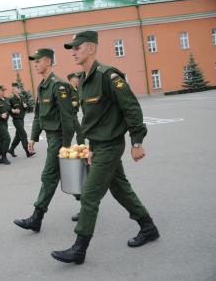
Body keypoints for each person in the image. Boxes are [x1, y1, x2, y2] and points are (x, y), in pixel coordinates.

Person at [50, 31, 159, 264]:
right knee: (120, 189)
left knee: (89, 195)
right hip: (99, 145)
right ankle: (148, 227)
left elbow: (131, 108)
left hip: (111, 145)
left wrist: (137, 141)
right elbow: (93, 119)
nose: (73, 52)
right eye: (72, 49)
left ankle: (79, 249)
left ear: (91, 48)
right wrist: (90, 147)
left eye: (77, 48)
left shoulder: (107, 76)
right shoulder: (83, 79)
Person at [13, 48, 74, 232]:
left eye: (38, 61)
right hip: (50, 136)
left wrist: (65, 146)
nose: (35, 64)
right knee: (68, 173)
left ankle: (36, 217)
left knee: (49, 176)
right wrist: (33, 137)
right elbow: (39, 115)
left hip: (59, 137)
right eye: (34, 61)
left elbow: (68, 118)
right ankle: (87, 199)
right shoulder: (42, 85)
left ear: (48, 61)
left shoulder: (59, 85)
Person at [67, 72, 86, 222]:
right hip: (71, 115)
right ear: (71, 80)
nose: (77, 81)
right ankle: (78, 146)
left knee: (78, 131)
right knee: (78, 131)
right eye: (76, 79)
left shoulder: (75, 88)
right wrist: (75, 103)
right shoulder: (69, 88)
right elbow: (70, 102)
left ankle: (78, 146)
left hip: (73, 115)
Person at [8, 82, 36, 158]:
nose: (19, 89)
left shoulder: (22, 97)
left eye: (19, 88)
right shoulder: (11, 99)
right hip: (16, 120)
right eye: (17, 88)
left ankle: (11, 149)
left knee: (18, 136)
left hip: (22, 119)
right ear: (14, 90)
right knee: (23, 134)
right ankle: (28, 152)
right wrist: (13, 110)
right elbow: (7, 109)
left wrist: (25, 106)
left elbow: (26, 108)